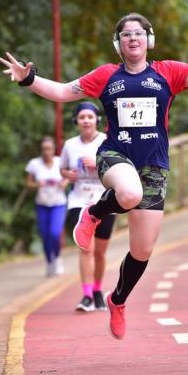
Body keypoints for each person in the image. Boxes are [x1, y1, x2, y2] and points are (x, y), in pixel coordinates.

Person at [0, 12, 188, 339]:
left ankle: (117, 300)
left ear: (148, 40)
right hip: (115, 155)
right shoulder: (107, 76)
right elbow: (65, 92)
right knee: (129, 194)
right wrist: (28, 79)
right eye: (126, 35)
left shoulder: (168, 72)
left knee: (143, 250)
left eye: (138, 33)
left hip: (154, 165)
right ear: (118, 44)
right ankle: (93, 213)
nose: (132, 39)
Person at [60, 102, 116, 312]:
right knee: (86, 248)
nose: (86, 120)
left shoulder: (106, 142)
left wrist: (97, 164)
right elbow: (62, 169)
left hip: (105, 201)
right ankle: (86, 295)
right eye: (82, 117)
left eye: (90, 117)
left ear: (96, 120)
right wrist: (68, 174)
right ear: (76, 121)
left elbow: (118, 166)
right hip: (79, 201)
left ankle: (97, 291)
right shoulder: (70, 145)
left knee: (100, 252)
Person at [26, 136, 68, 276]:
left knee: (55, 233)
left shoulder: (60, 161)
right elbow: (28, 183)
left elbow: (68, 175)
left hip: (58, 203)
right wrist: (38, 184)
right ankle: (49, 261)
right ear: (41, 150)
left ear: (53, 149)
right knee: (45, 235)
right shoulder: (34, 164)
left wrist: (64, 182)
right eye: (44, 149)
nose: (46, 152)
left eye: (49, 149)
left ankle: (57, 258)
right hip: (42, 204)